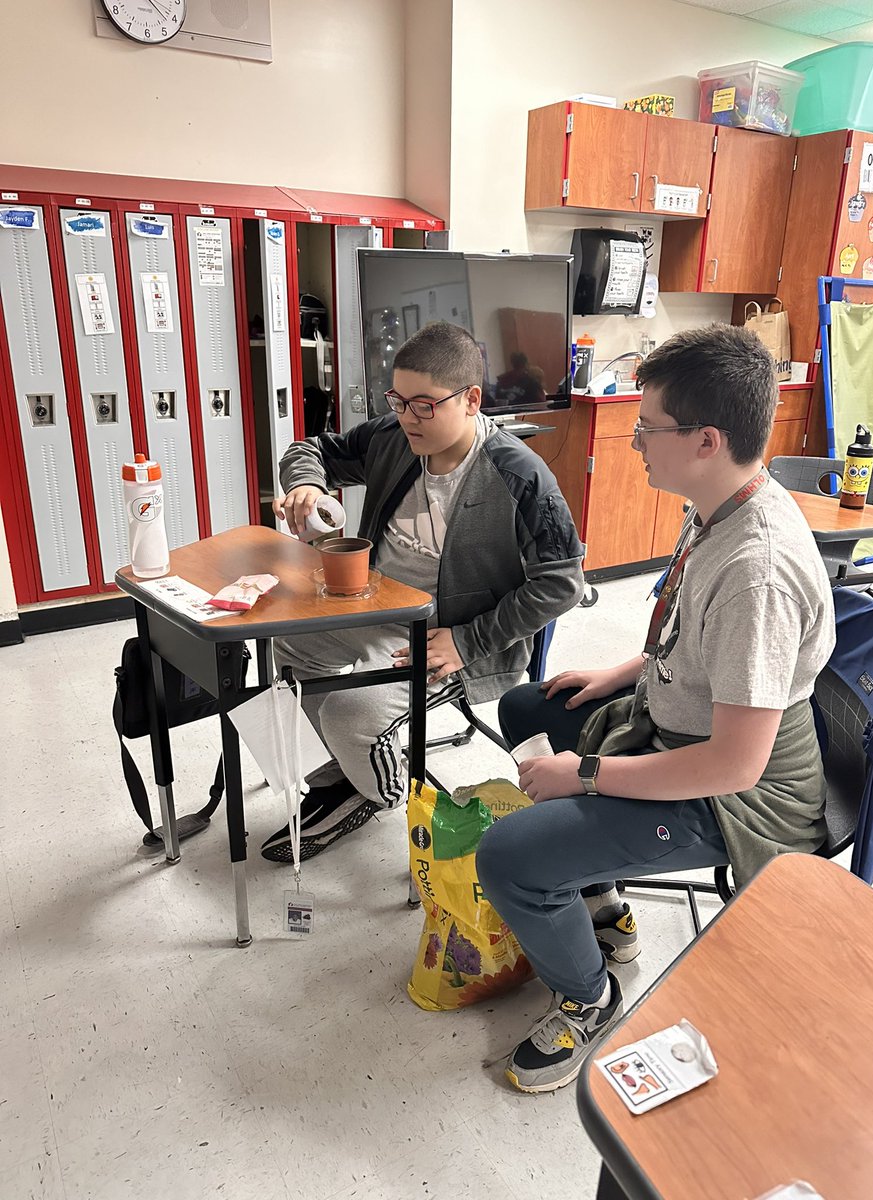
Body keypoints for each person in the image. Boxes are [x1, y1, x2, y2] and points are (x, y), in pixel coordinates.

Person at [476, 323, 835, 1094]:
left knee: (509, 856)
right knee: (524, 707)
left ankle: (587, 996)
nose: (635, 438)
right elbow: (692, 642)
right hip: (681, 723)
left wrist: (589, 775)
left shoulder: (757, 572)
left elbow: (735, 763)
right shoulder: (716, 503)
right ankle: (600, 902)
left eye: (648, 426)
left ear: (706, 440)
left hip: (741, 791)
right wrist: (621, 672)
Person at [260, 320, 584, 863]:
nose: (408, 417)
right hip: (378, 608)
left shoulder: (518, 474)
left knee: (349, 715)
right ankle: (357, 768)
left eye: (425, 405)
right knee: (287, 647)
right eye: (399, 399)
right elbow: (309, 447)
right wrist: (305, 483)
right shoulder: (393, 437)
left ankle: (381, 794)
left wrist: (466, 641)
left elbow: (562, 583)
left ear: (471, 399)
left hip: (455, 640)